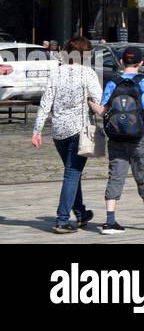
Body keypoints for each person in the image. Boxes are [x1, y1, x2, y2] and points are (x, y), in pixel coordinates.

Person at [31, 37, 103, 233]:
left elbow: (46, 102)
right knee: (72, 173)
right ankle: (62, 219)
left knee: (73, 172)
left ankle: (80, 213)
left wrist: (37, 131)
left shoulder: (56, 73)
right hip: (80, 130)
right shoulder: (88, 73)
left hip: (59, 131)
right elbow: (99, 100)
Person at [99, 46, 144, 232]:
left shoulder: (112, 82)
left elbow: (103, 111)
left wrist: (90, 101)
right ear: (141, 63)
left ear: (122, 62)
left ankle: (110, 220)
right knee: (143, 173)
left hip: (116, 137)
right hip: (141, 137)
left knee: (115, 175)